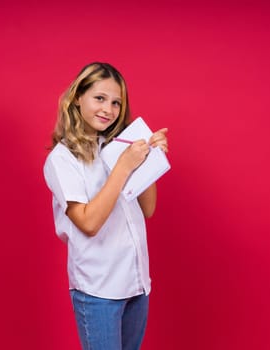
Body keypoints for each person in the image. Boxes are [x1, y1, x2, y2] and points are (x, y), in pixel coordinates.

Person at [43, 62, 168, 350]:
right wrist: (124, 166)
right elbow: (88, 222)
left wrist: (149, 161)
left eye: (116, 102)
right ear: (78, 97)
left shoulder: (117, 146)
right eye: (99, 98)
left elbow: (148, 209)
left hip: (136, 282)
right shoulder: (62, 159)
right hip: (98, 289)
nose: (108, 109)